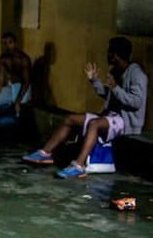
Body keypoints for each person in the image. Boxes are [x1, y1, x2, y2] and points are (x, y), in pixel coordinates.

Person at [23, 36, 148, 178]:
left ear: (115, 55)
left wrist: (115, 88)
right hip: (110, 117)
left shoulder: (137, 73)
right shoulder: (115, 71)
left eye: (109, 52)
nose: (106, 54)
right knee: (70, 119)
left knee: (94, 124)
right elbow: (107, 94)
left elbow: (136, 102)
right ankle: (45, 153)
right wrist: (94, 80)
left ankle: (79, 165)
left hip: (126, 122)